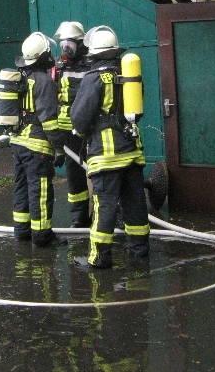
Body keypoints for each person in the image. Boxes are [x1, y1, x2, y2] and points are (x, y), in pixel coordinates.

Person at [69, 25, 149, 268]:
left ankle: (99, 258)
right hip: (132, 152)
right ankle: (140, 250)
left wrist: (81, 132)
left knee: (104, 207)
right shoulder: (128, 73)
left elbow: (79, 117)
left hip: (106, 156)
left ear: (93, 53)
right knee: (135, 204)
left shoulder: (94, 78)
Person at [9, 31, 67, 248]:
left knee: (21, 187)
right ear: (43, 56)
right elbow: (49, 120)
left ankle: (21, 231)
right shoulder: (44, 81)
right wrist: (58, 147)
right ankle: (42, 236)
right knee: (40, 191)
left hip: (18, 143)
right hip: (37, 147)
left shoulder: (21, 77)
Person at [53, 21, 93, 228]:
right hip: (68, 130)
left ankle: (108, 215)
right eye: (63, 45)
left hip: (91, 128)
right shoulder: (59, 66)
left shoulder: (92, 63)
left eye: (69, 44)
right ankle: (79, 217)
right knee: (74, 172)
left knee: (100, 171)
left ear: (81, 43)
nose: (65, 49)